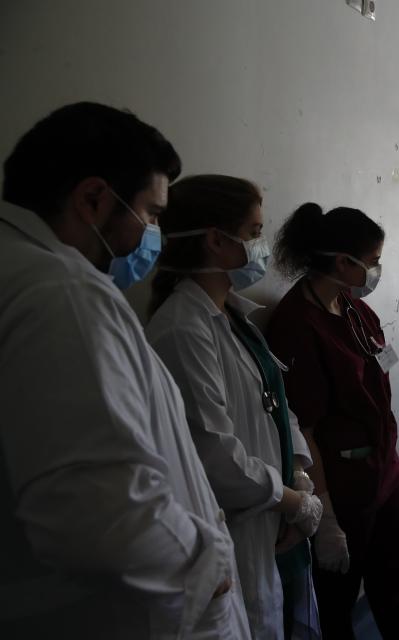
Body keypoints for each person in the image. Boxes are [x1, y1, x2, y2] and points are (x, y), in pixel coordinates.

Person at [0, 103, 250, 638]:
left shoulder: (25, 273)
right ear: (93, 199)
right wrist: (208, 565)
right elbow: (99, 513)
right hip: (151, 609)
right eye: (152, 214)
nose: (155, 233)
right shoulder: (60, 295)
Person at [144, 175, 325, 639]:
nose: (261, 247)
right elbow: (214, 455)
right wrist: (293, 500)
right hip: (240, 526)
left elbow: (277, 403)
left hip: (273, 513)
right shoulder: (183, 329)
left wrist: (300, 472)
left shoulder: (234, 316)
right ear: (215, 241)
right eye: (253, 233)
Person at [266, 204, 399, 639]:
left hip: (382, 468)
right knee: (337, 596)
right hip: (342, 483)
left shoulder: (355, 310)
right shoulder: (296, 325)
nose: (376, 270)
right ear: (343, 262)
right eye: (372, 261)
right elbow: (304, 429)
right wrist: (328, 514)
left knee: (396, 573)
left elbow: (379, 368)